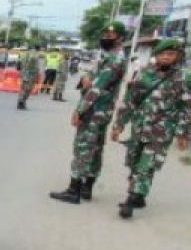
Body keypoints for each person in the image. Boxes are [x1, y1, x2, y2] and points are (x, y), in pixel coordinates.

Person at [111, 38, 191, 218]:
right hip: (139, 127)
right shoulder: (143, 74)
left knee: (146, 165)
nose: (166, 57)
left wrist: (183, 134)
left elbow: (186, 107)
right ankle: (140, 196)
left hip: (161, 132)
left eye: (170, 54)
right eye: (162, 54)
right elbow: (130, 101)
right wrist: (118, 125)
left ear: (177, 56)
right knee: (134, 161)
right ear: (156, 56)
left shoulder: (184, 77)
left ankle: (131, 200)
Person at [49, 21, 130, 203]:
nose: (105, 38)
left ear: (121, 38)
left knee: (83, 147)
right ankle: (87, 188)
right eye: (105, 35)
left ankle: (73, 190)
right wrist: (87, 77)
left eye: (110, 36)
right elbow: (93, 78)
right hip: (102, 110)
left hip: (94, 109)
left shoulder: (115, 60)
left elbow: (97, 88)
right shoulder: (110, 56)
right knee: (95, 148)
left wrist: (79, 110)